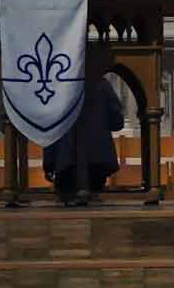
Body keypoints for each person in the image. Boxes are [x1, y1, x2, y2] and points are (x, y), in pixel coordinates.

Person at [43, 77, 126, 205]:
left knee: (67, 207)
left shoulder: (57, 84)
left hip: (65, 162)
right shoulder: (102, 84)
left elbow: (49, 126)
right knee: (94, 205)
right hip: (96, 163)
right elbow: (117, 122)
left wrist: (48, 163)